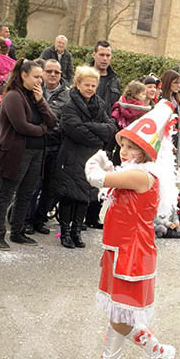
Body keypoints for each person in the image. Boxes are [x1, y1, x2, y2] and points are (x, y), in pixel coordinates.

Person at [72, 101, 179, 359]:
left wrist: (96, 160)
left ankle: (154, 354)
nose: (125, 151)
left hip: (132, 252)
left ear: (146, 152)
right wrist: (111, 164)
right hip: (120, 248)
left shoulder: (143, 175)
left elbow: (95, 178)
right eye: (124, 145)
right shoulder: (135, 172)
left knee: (121, 315)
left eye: (132, 147)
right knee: (119, 315)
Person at [0, 59, 58, 250]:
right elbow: (21, 126)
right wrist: (42, 129)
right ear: (23, 75)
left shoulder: (35, 95)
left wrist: (41, 101)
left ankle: (17, 232)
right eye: (36, 77)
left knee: (26, 194)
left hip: (36, 153)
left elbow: (52, 121)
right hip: (16, 153)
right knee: (5, 194)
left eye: (41, 77)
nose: (40, 81)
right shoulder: (13, 96)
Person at [55, 66, 117, 248]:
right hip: (72, 155)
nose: (90, 88)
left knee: (85, 195)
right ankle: (65, 232)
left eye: (93, 85)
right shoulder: (69, 105)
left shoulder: (99, 103)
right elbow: (74, 129)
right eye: (86, 84)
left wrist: (92, 129)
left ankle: (76, 232)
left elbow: (110, 127)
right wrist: (98, 137)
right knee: (69, 195)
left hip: (91, 156)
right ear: (78, 84)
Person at [27, 59, 70, 235]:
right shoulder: (32, 89)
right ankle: (27, 220)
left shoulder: (67, 94)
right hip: (36, 144)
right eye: (49, 71)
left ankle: (40, 219)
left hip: (55, 145)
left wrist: (41, 110)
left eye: (57, 72)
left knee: (50, 186)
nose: (53, 75)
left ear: (61, 75)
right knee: (33, 185)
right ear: (43, 73)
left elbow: (55, 116)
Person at [84, 41, 121, 229]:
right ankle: (79, 216)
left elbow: (117, 109)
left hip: (107, 136)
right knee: (85, 174)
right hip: (88, 133)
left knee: (102, 175)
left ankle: (93, 216)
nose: (105, 58)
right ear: (94, 54)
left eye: (108, 55)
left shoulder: (115, 80)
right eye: (102, 55)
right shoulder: (86, 75)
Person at [158, 70, 180, 166]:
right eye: (175, 83)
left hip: (174, 138)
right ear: (168, 83)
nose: (178, 85)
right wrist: (168, 143)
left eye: (179, 83)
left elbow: (179, 122)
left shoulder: (175, 101)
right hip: (162, 141)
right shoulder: (161, 100)